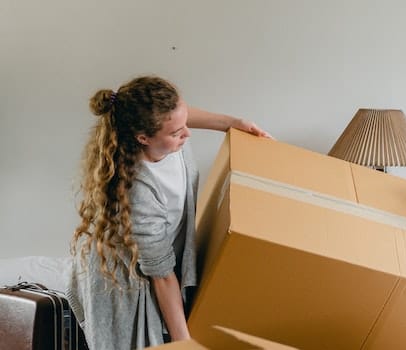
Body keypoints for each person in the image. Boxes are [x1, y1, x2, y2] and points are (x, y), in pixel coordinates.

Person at [66, 76, 272, 349]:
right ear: (143, 137)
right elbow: (162, 276)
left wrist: (233, 123)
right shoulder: (137, 191)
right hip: (125, 283)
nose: (187, 134)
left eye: (185, 123)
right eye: (176, 132)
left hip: (159, 265)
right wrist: (183, 343)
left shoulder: (167, 138)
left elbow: (177, 116)